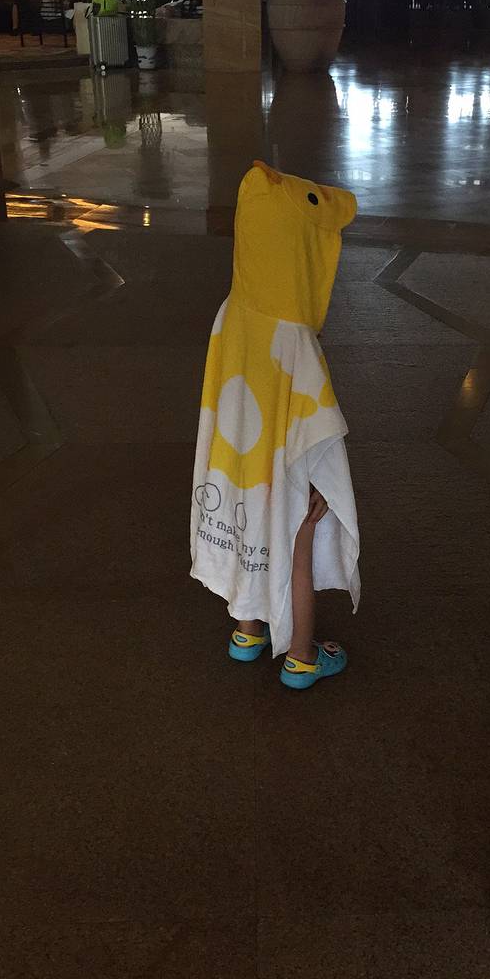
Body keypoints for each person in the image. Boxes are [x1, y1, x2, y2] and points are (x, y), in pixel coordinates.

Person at [190, 160, 360, 691]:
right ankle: (302, 657)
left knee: (249, 538)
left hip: (236, 465)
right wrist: (322, 482)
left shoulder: (233, 309)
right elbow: (316, 422)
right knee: (296, 546)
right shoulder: (295, 338)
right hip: (284, 471)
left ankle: (247, 632)